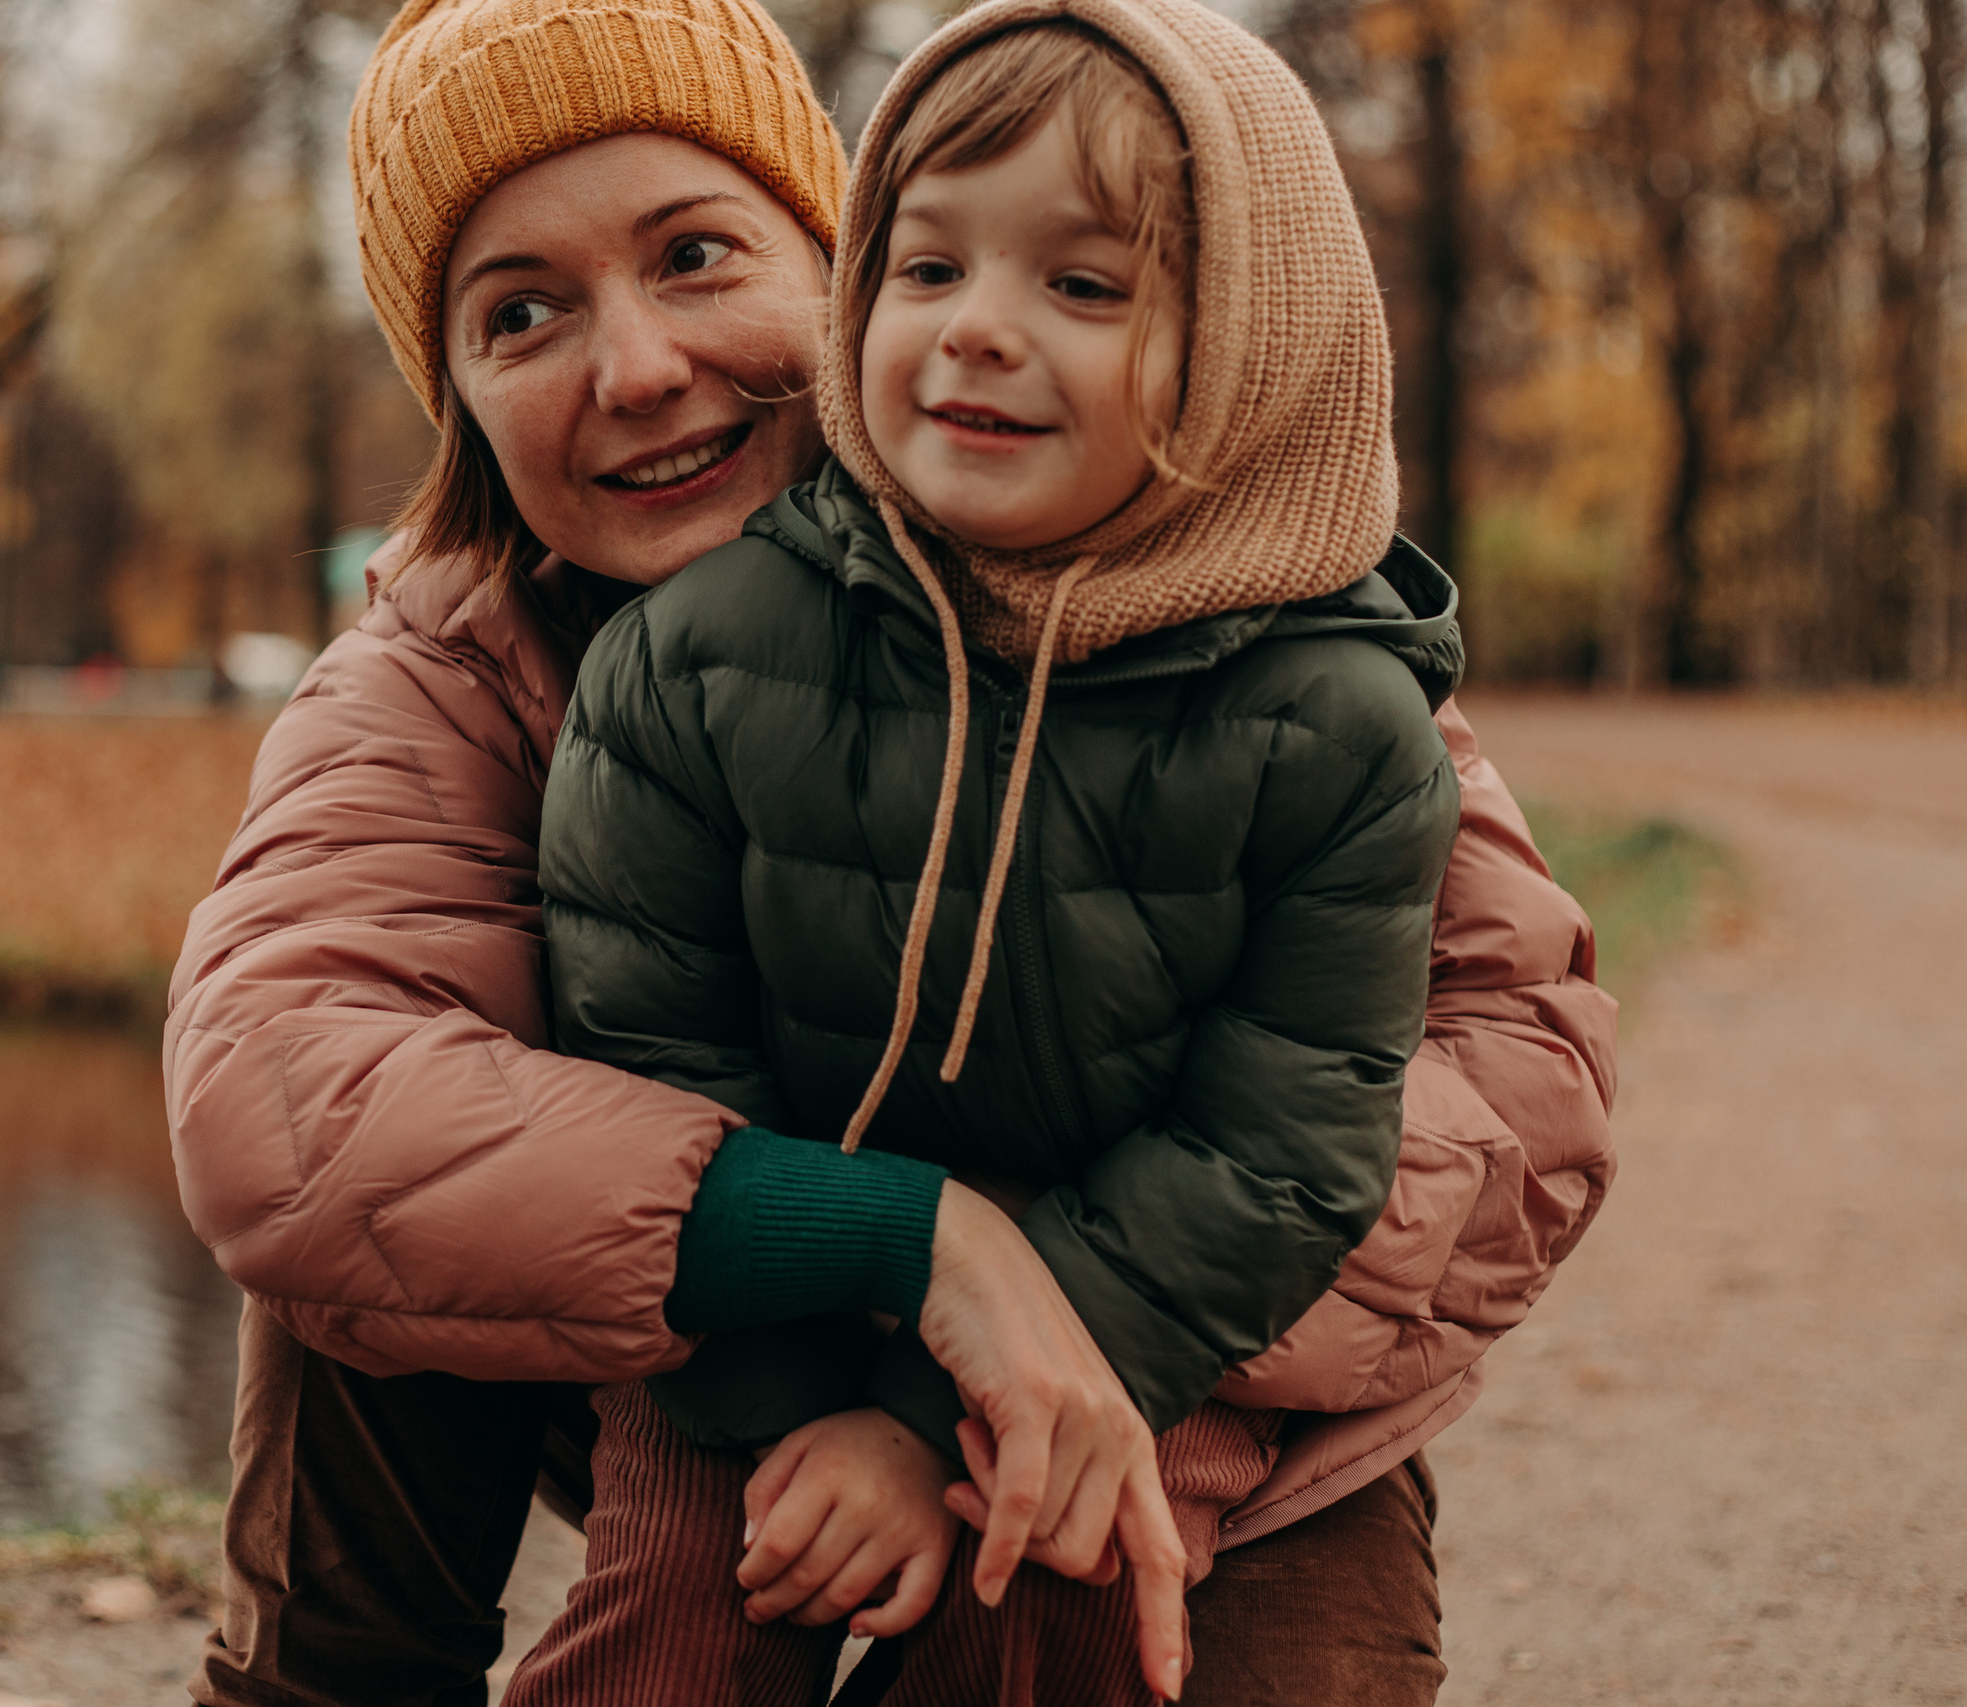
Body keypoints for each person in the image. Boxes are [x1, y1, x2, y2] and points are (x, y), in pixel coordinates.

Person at [163, 0, 1618, 1700]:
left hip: (1177, 1365)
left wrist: (1019, 1354)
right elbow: (282, 1092)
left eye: (697, 255)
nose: (632, 369)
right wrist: (906, 1245)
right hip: (704, 1360)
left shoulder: (1218, 617)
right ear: (461, 394)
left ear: (833, 259)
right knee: (392, 1192)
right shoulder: (450, 661)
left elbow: (1521, 1086)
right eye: (522, 313)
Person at [516, 3, 1465, 1697]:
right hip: (751, 1307)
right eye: (928, 269)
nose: (977, 335)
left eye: (1083, 288)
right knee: (675, 1624)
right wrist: (810, 1406)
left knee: (1077, 1594)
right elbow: (644, 1055)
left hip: (1130, 1311)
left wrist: (923, 1425)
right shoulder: (697, 655)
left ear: (1254, 342)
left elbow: (1283, 1146)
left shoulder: (1333, 721)